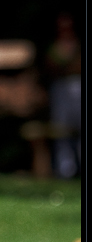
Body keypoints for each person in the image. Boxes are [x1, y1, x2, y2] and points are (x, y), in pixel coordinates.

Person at [45, 13, 82, 178]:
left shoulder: (79, 45)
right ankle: (65, 170)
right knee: (61, 130)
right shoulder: (54, 47)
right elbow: (52, 67)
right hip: (61, 90)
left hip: (79, 87)